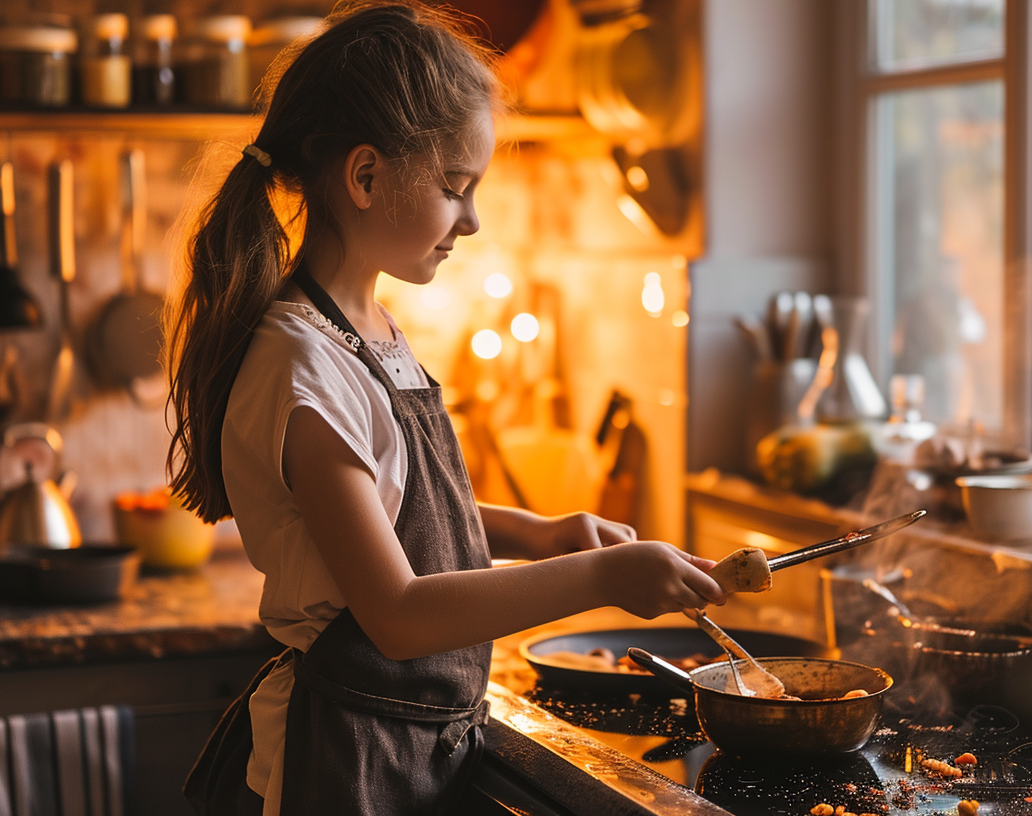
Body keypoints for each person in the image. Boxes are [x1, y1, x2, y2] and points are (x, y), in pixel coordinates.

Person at [163, 3, 726, 814]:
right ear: (366, 177)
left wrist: (542, 535)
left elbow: (397, 506)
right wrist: (602, 575)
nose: (472, 219)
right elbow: (395, 613)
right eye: (455, 188)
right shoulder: (303, 370)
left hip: (414, 741)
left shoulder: (368, 329)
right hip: (352, 759)